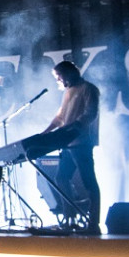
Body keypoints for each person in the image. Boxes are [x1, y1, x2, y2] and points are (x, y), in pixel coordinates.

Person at [42, 60, 101, 234]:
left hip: (81, 143)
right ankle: (70, 218)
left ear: (69, 73)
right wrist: (46, 132)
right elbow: (61, 116)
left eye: (59, 76)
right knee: (61, 178)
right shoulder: (68, 92)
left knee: (89, 181)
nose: (59, 80)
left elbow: (90, 113)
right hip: (68, 143)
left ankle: (94, 222)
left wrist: (70, 128)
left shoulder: (88, 89)